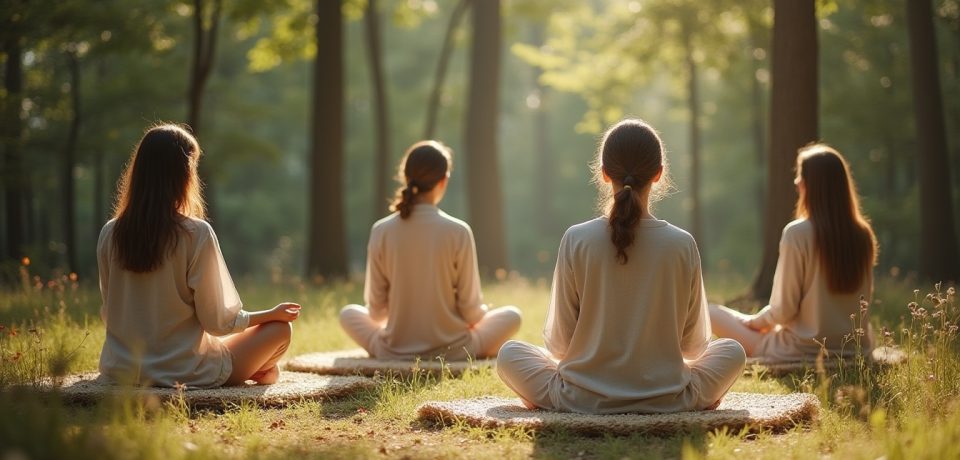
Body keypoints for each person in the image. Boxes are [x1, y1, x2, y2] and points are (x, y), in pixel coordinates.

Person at [497, 119, 745, 414]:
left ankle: (563, 398)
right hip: (669, 397)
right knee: (732, 350)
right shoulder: (682, 243)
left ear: (603, 173)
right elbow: (693, 349)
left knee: (509, 354)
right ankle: (682, 399)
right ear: (659, 174)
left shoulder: (576, 238)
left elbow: (560, 346)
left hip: (580, 397)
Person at [97, 124, 300, 388]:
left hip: (121, 369)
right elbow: (218, 322)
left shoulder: (110, 233)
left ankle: (255, 369)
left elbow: (110, 309)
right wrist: (271, 314)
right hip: (185, 371)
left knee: (220, 345)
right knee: (280, 330)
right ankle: (256, 370)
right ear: (183, 174)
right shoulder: (195, 233)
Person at [340, 140, 522, 360]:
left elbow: (376, 313)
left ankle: (393, 350)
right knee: (513, 315)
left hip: (394, 349)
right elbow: (471, 313)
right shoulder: (458, 231)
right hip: (455, 349)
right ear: (443, 181)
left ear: (406, 178)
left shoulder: (381, 230)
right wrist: (483, 310)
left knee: (348, 313)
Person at [709, 144, 877, 360]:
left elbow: (783, 311)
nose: (796, 182)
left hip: (800, 349)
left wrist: (754, 322)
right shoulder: (863, 234)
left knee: (711, 313)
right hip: (856, 348)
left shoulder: (798, 233)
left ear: (812, 185)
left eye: (800, 176)